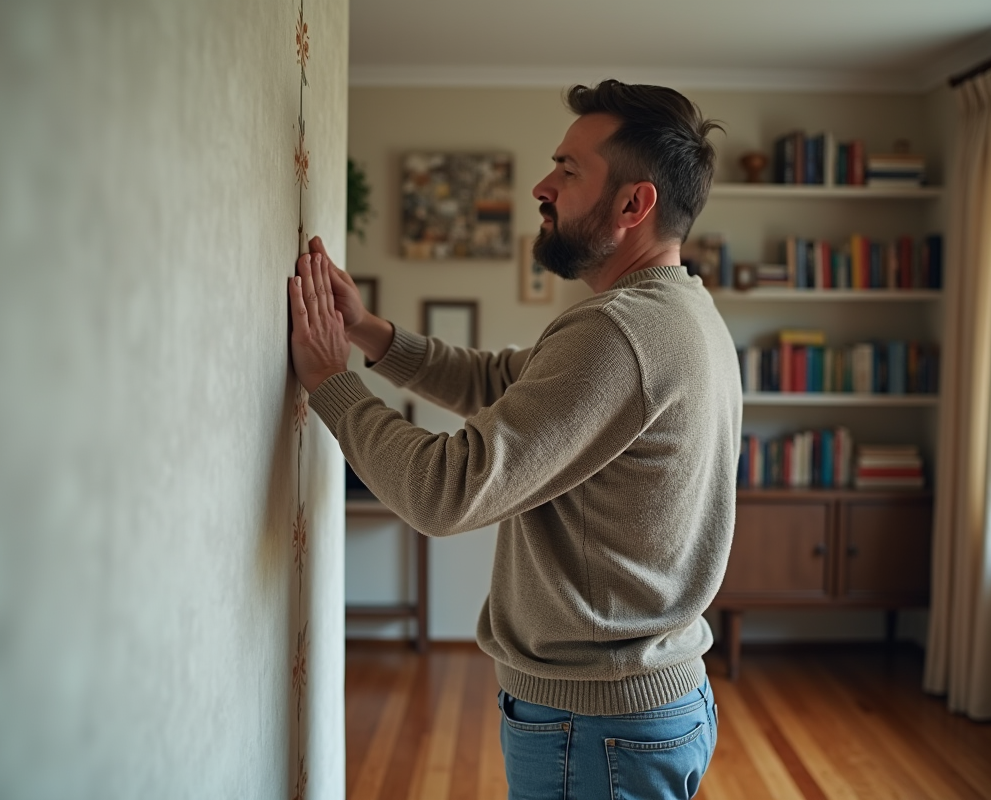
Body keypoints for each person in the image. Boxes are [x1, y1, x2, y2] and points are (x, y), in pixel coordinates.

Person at [289, 80, 742, 800]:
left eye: (568, 170)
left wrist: (328, 384)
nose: (542, 185)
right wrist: (368, 333)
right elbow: (508, 381)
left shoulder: (619, 333)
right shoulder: (680, 313)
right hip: (642, 704)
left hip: (594, 726)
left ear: (634, 204)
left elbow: (445, 492)